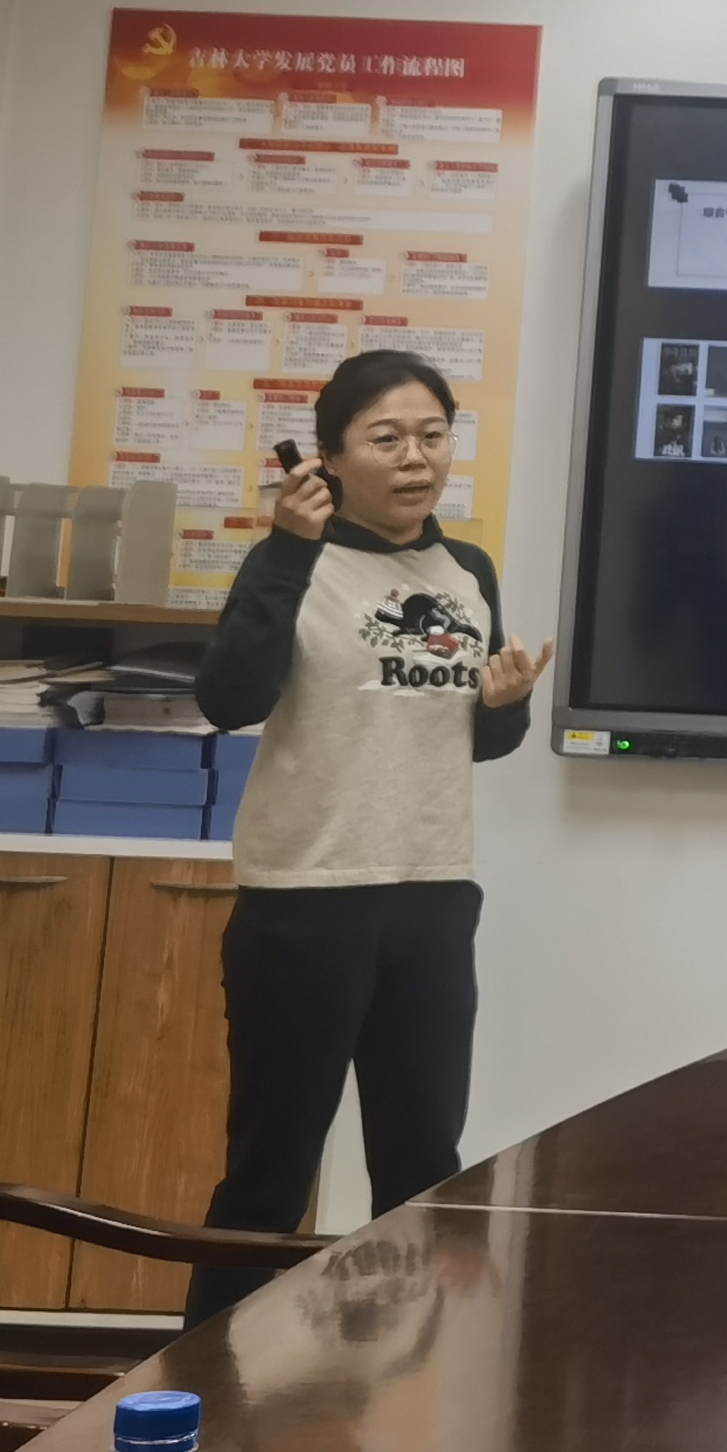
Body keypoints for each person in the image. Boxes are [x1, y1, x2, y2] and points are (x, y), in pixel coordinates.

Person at [187, 349, 550, 1318]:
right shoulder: (292, 562)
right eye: (386, 438)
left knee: (424, 1169)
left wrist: (507, 703)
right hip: (304, 903)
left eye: (432, 435)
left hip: (431, 895)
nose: (415, 458)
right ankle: (206, 1386)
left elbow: (476, 740)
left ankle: (407, 1386)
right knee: (269, 1176)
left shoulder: (466, 570)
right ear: (331, 457)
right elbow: (228, 699)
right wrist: (286, 550)